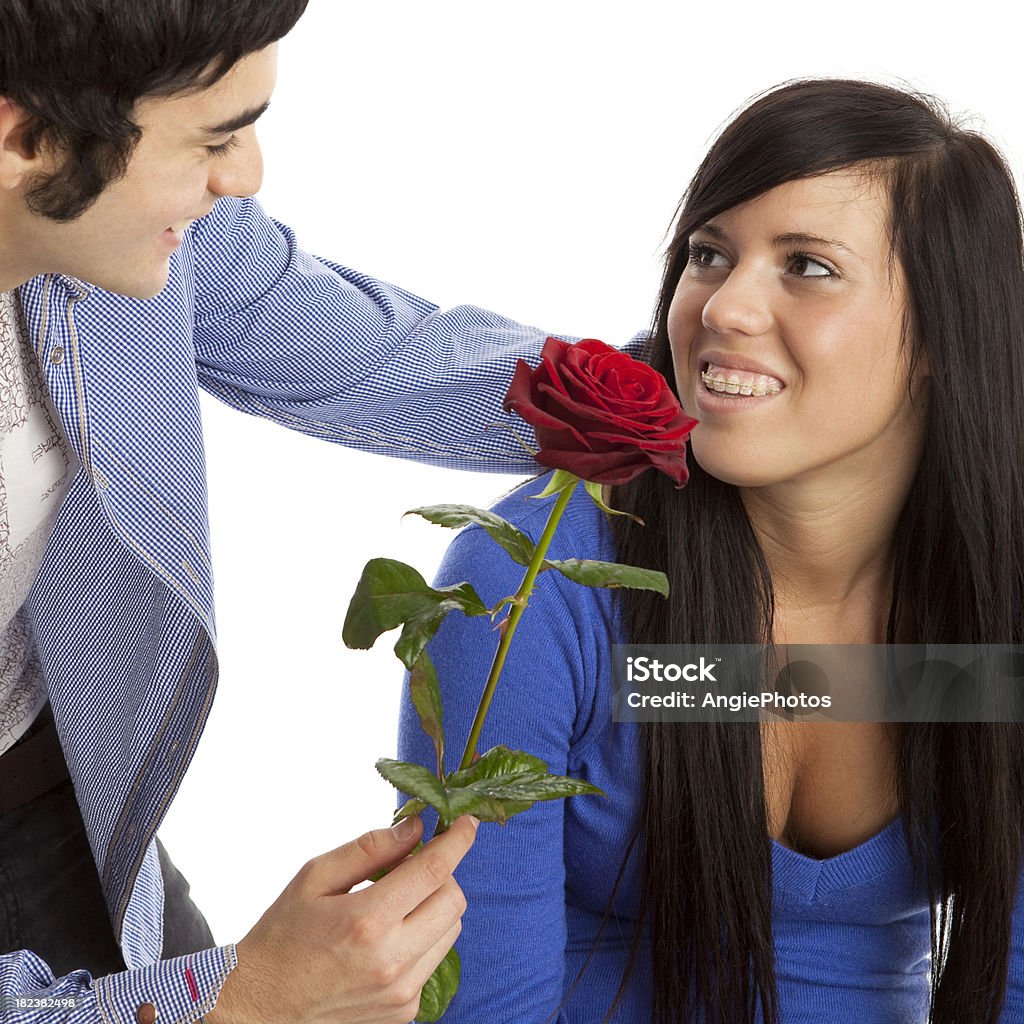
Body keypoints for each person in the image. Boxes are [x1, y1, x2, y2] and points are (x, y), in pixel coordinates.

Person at [0, 2, 598, 1022]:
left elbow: (369, 354)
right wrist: (241, 1000)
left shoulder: (114, 233)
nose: (245, 176)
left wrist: (673, 401)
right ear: (26, 137)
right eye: (214, 137)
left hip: (34, 783)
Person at [400, 78, 1024, 1022]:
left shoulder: (996, 605)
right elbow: (478, 1003)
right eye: (708, 254)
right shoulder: (533, 581)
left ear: (944, 326)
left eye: (807, 266)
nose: (724, 309)